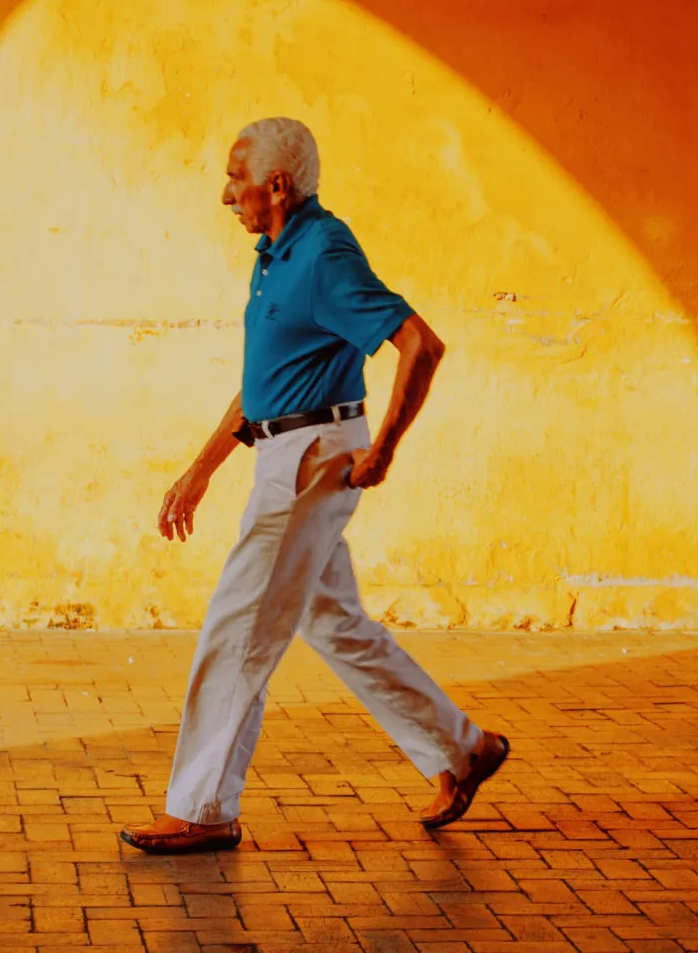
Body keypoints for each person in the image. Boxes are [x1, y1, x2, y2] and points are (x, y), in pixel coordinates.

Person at [119, 118, 510, 855]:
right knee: (333, 623)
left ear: (277, 185)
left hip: (311, 458)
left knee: (239, 629)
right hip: (286, 446)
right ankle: (462, 751)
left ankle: (202, 808)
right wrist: (200, 470)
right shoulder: (274, 256)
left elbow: (420, 344)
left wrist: (385, 449)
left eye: (235, 179)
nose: (223, 195)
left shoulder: (324, 252)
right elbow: (265, 384)